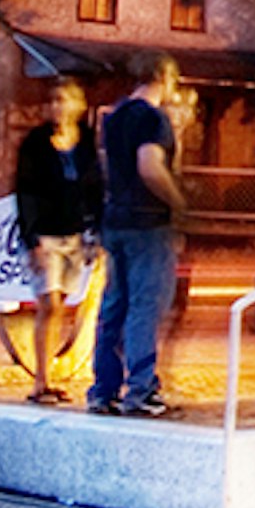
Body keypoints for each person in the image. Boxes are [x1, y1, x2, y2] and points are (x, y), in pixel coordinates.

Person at [88, 58, 187, 419]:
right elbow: (150, 166)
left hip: (115, 219)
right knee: (146, 306)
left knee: (114, 305)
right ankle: (141, 390)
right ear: (164, 76)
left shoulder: (114, 118)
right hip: (148, 222)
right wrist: (178, 202)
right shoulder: (152, 118)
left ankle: (103, 390)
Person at [6, 77, 104, 405]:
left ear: (79, 106)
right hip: (45, 234)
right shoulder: (36, 143)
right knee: (49, 305)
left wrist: (95, 228)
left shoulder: (86, 142)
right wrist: (31, 237)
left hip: (75, 233)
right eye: (55, 100)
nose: (59, 107)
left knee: (63, 304)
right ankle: (40, 381)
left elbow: (94, 187)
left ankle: (50, 376)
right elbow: (26, 191)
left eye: (66, 100)